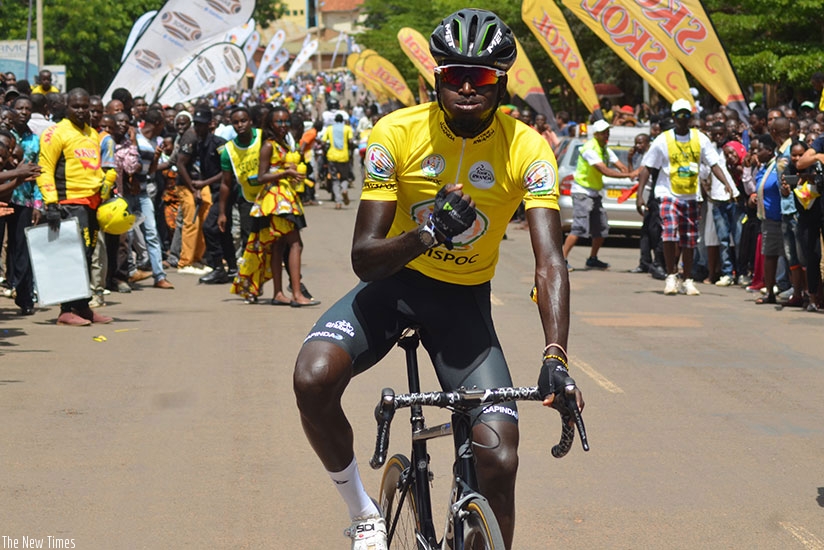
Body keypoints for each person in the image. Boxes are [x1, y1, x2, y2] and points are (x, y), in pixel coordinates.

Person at [293, 9, 582, 550]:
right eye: (454, 75)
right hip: (393, 289)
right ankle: (363, 512)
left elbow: (550, 262)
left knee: (499, 456)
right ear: (437, 78)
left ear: (501, 82)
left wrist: (555, 355)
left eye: (483, 77)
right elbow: (365, 259)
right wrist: (426, 235)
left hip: (462, 305)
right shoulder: (395, 133)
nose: (468, 87)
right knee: (312, 377)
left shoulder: (528, 147)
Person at [636, 99, 735, 296]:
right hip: (667, 193)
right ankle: (671, 275)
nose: (682, 119)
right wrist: (640, 196)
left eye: (686, 115)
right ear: (673, 117)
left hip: (690, 195)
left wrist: (727, 183)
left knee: (689, 239)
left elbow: (714, 163)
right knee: (669, 232)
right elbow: (648, 167)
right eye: (679, 115)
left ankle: (688, 279)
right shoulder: (663, 139)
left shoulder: (700, 139)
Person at [36, 88, 113, 326]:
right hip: (67, 203)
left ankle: (83, 307)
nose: (81, 111)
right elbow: (45, 168)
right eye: (76, 106)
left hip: (91, 205)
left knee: (87, 255)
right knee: (70, 257)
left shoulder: (93, 134)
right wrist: (50, 203)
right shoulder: (55, 133)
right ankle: (65, 310)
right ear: (66, 107)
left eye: (85, 106)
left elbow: (94, 168)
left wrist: (105, 186)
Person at [562, 118, 636, 270]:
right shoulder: (590, 148)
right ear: (596, 134)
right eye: (603, 133)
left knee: (601, 228)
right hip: (582, 192)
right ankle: (561, 260)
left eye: (607, 132)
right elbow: (604, 170)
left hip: (594, 193)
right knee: (579, 228)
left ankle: (593, 258)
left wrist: (629, 166)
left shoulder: (604, 148)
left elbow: (620, 166)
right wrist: (627, 175)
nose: (606, 135)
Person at [321, 113, 354, 209]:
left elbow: (323, 142)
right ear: (342, 120)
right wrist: (350, 152)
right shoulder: (347, 128)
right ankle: (344, 190)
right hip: (344, 157)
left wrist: (325, 150)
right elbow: (351, 141)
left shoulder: (329, 128)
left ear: (335, 120)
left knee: (335, 180)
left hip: (332, 157)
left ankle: (338, 202)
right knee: (344, 177)